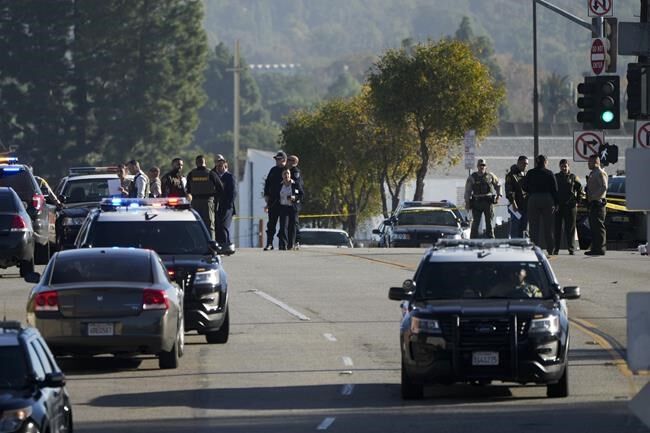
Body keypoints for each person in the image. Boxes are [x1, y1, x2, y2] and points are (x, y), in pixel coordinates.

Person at [522, 155, 558, 255]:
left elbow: (524, 187)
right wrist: (556, 203)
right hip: (547, 199)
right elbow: (555, 189)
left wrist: (532, 191)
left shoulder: (530, 173)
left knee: (533, 226)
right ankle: (550, 249)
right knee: (548, 226)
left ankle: (534, 249)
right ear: (545, 162)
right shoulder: (549, 173)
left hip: (533, 199)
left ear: (536, 162)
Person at [186, 155, 223, 240]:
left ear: (196, 163)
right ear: (204, 162)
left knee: (196, 224)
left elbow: (188, 189)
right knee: (210, 225)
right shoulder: (210, 173)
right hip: (208, 202)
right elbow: (220, 188)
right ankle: (211, 245)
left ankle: (197, 244)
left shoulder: (191, 174)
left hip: (195, 202)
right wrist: (215, 198)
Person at [464, 159, 502, 238]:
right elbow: (467, 191)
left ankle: (491, 240)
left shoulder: (490, 176)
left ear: (486, 166)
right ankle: (473, 241)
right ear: (477, 166)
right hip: (476, 203)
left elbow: (498, 185)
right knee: (475, 224)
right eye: (480, 165)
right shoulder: (472, 177)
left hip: (488, 203)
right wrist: (467, 202)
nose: (482, 167)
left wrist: (499, 196)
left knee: (489, 223)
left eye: (483, 165)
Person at [553, 159, 583, 255]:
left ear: (569, 167)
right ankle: (556, 248)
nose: (564, 168)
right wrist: (554, 203)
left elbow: (580, 190)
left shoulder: (573, 177)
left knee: (570, 228)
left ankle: (571, 248)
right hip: (558, 206)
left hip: (570, 206)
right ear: (560, 167)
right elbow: (552, 190)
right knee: (557, 228)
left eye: (566, 166)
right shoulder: (556, 177)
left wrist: (578, 201)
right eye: (562, 166)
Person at [262, 150, 287, 250]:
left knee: (283, 224)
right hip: (273, 202)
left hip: (284, 202)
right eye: (276, 159)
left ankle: (282, 243)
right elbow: (267, 184)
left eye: (279, 159)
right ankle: (269, 243)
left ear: (284, 160)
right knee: (271, 224)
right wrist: (266, 196)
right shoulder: (273, 170)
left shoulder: (287, 171)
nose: (277, 161)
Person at [584, 154, 608, 256]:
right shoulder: (593, 173)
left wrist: (594, 197)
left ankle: (600, 248)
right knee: (594, 227)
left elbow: (604, 187)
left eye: (590, 162)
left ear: (596, 162)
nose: (588, 164)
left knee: (599, 227)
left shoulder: (600, 173)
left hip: (598, 203)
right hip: (593, 203)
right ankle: (595, 248)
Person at [212, 154, 236, 254]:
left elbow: (233, 193)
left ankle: (226, 246)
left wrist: (228, 205)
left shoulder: (229, 177)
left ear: (225, 165)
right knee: (217, 226)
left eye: (221, 165)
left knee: (224, 226)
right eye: (218, 165)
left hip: (227, 207)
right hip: (216, 205)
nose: (219, 167)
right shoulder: (213, 175)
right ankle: (219, 246)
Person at [277, 168, 304, 250]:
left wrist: (294, 197)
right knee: (283, 226)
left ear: (290, 175)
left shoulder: (295, 184)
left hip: (292, 207)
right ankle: (284, 244)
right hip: (283, 207)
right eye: (285, 174)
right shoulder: (280, 185)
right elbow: (275, 197)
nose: (286, 175)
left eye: (288, 173)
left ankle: (291, 244)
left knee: (292, 226)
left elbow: (301, 195)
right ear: (282, 175)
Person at [505, 155, 528, 238]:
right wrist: (513, 203)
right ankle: (514, 245)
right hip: (515, 205)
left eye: (527, 164)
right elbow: (509, 191)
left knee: (524, 227)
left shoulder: (525, 174)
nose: (525, 165)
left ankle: (522, 244)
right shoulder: (511, 175)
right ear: (518, 163)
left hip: (524, 205)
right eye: (524, 163)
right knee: (515, 226)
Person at [286, 154, 304, 248]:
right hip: (288, 200)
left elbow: (297, 185)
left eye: (289, 160)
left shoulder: (295, 171)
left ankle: (293, 242)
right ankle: (293, 241)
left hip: (294, 201)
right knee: (292, 223)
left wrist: (295, 196)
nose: (287, 161)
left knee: (293, 223)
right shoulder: (287, 171)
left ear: (294, 162)